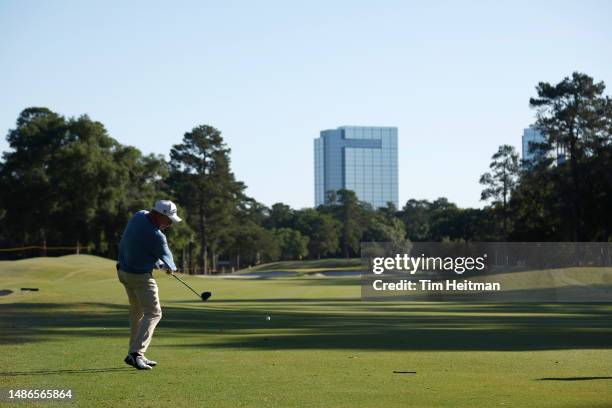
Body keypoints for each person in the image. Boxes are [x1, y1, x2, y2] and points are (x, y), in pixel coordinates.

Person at [116, 199, 182, 370]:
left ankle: (135, 353)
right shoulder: (158, 237)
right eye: (168, 221)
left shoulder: (138, 216)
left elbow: (139, 244)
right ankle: (136, 353)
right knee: (154, 313)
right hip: (140, 278)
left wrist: (157, 261)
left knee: (137, 312)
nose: (169, 225)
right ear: (159, 215)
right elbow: (170, 264)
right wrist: (169, 267)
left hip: (123, 272)